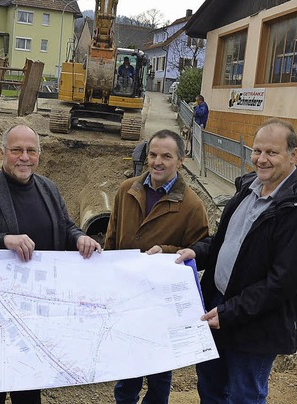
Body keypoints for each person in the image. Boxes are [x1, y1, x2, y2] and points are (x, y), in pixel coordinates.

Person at [176, 118, 297, 403]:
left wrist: (231, 312)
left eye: (272, 152)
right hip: (219, 308)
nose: (261, 159)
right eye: (257, 150)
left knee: (243, 395)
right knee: (209, 387)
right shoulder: (248, 187)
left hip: (257, 325)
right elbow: (225, 240)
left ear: (292, 155)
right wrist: (197, 252)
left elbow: (282, 282)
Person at [0, 124, 102, 404]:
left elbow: (65, 226)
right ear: (2, 152)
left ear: (38, 154)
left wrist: (80, 237)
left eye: (31, 151)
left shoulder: (49, 188)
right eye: (17, 150)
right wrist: (4, 240)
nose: (24, 157)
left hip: (38, 312)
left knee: (29, 390)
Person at [105, 129, 210, 404]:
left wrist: (166, 252)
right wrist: (105, 276)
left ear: (180, 161)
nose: (157, 162)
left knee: (159, 371)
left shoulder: (191, 206)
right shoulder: (127, 190)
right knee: (127, 367)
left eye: (166, 156)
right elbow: (112, 237)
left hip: (163, 305)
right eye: (153, 155)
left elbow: (199, 252)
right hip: (127, 296)